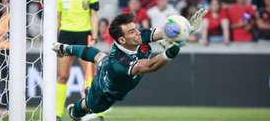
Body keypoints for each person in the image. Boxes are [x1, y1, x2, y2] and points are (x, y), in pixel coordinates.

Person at [52, 8, 207, 121]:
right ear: (122, 40)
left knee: (99, 57)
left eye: (135, 29)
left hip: (109, 65)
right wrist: (172, 50)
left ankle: (64, 48)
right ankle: (75, 111)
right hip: (104, 94)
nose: (138, 33)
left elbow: (164, 31)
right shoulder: (119, 64)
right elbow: (149, 66)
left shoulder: (138, 37)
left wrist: (186, 29)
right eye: (132, 32)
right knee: (89, 105)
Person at [56, 0, 99, 120]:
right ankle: (57, 114)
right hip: (66, 36)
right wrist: (55, 38)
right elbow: (57, 17)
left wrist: (94, 36)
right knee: (62, 75)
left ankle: (93, 113)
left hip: (84, 36)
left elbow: (94, 16)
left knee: (90, 75)